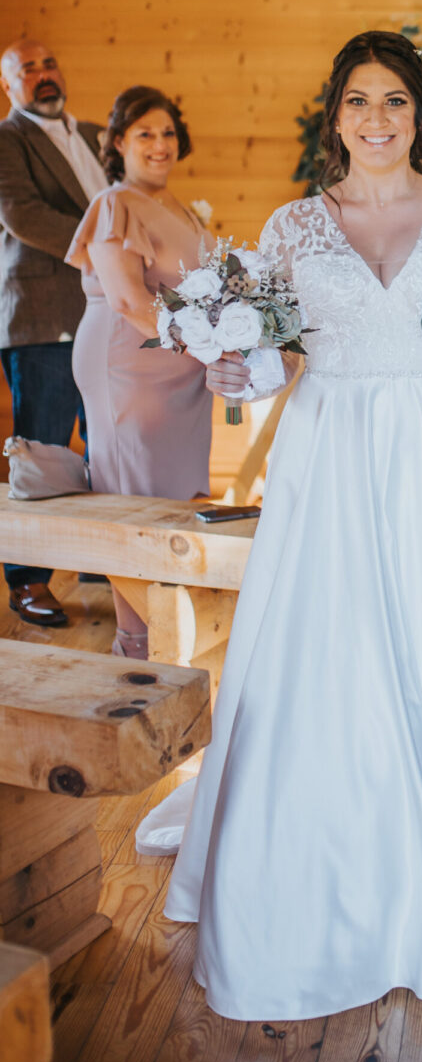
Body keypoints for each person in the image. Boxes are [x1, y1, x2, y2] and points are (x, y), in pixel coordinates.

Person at [155, 31, 422, 1021]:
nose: (376, 119)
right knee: (330, 654)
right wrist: (240, 371)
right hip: (328, 452)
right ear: (336, 116)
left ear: (421, 115)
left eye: (395, 102)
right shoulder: (290, 226)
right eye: (359, 102)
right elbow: (279, 359)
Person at [66, 87, 213, 658]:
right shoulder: (113, 204)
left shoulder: (180, 207)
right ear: (119, 142)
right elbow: (129, 298)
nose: (160, 145)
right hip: (130, 365)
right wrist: (209, 345)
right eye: (145, 134)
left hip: (181, 373)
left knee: (174, 497)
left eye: (168, 133)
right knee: (133, 497)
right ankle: (136, 644)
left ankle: (174, 632)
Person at [0, 39, 106, 628]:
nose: (43, 75)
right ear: (8, 85)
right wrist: (110, 250)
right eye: (26, 69)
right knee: (42, 447)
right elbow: (23, 215)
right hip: (43, 314)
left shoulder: (94, 134)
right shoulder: (6, 139)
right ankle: (28, 580)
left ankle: (100, 559)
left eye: (48, 63)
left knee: (105, 441)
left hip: (107, 313)